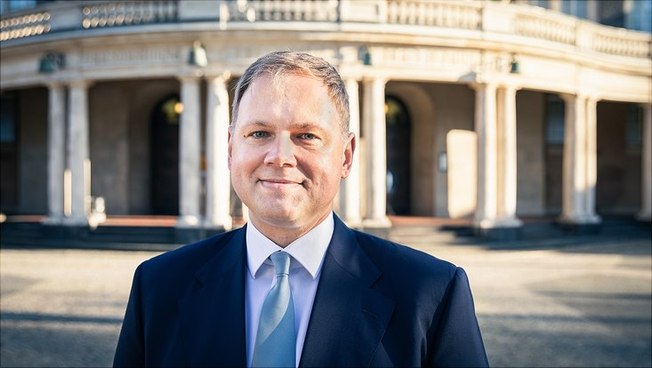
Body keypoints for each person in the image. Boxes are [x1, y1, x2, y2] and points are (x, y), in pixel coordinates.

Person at [113, 51, 488, 367]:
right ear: (230, 149)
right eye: (259, 133)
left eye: (305, 136)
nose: (280, 157)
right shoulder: (158, 287)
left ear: (345, 155)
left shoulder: (431, 294)